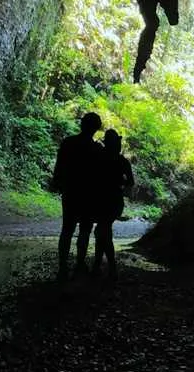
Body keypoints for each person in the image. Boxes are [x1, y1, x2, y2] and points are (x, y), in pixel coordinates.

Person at [51, 112, 105, 279]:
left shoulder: (69, 142)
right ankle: (79, 264)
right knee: (85, 230)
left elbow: (59, 166)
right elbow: (101, 175)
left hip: (71, 191)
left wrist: (57, 183)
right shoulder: (97, 149)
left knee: (67, 229)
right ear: (96, 129)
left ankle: (63, 267)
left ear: (82, 124)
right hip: (89, 195)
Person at [91, 129, 134, 282]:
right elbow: (130, 182)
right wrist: (119, 184)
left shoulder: (98, 157)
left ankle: (105, 266)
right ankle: (107, 267)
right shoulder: (122, 161)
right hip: (114, 201)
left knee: (102, 231)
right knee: (103, 230)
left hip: (100, 200)